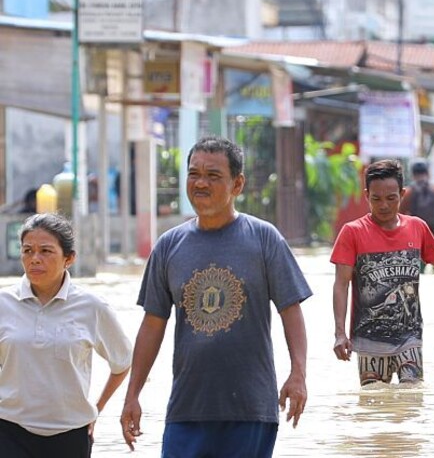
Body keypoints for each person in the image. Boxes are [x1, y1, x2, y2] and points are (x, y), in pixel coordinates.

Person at [121, 136, 312, 455]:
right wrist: (132, 394)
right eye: (194, 174)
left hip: (250, 409)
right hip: (186, 408)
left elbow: (290, 310)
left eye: (213, 176)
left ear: (237, 184)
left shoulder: (264, 239)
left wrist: (298, 374)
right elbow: (153, 324)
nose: (201, 183)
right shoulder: (168, 246)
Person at [332, 159, 434, 386]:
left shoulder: (417, 227)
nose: (384, 205)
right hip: (369, 340)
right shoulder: (352, 232)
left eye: (391, 198)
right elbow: (341, 284)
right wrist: (339, 333)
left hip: (409, 338)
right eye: (376, 199)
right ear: (366, 195)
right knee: (375, 404)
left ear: (403, 194)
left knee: (411, 399)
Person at [0, 213, 132, 457]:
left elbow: (122, 361)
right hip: (8, 431)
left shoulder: (92, 307)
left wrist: (96, 409)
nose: (34, 259)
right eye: (28, 251)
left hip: (71, 434)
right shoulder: (3, 304)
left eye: (46, 251)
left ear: (69, 258)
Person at [399, 159, 434, 252]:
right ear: (428, 173)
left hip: (416, 239)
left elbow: (400, 214)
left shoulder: (408, 192)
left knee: (417, 266)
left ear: (413, 174)